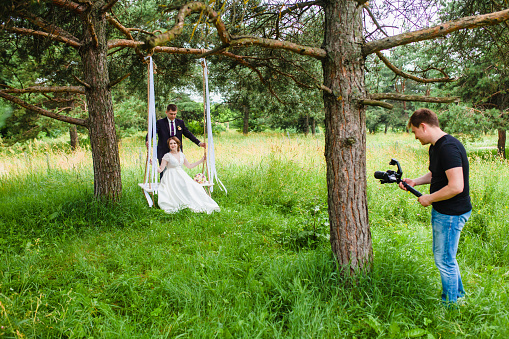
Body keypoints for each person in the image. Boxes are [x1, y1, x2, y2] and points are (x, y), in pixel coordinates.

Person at [399, 108, 472, 305]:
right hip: (445, 211)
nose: (415, 136)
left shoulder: (448, 147)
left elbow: (456, 186)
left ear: (423, 126)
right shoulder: (436, 146)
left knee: (444, 260)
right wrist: (415, 181)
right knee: (448, 257)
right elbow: (436, 174)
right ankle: (459, 297)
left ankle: (450, 305)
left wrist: (429, 198)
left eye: (414, 131)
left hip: (451, 213)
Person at [157, 137, 220, 214]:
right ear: (169, 145)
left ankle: (195, 202)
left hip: (181, 174)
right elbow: (160, 169)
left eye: (174, 143)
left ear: (178, 144)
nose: (173, 145)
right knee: (180, 186)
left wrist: (201, 160)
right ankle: (178, 202)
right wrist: (153, 165)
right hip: (171, 177)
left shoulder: (181, 155)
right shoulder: (167, 156)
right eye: (171, 143)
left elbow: (189, 166)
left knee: (193, 186)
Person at [147, 104, 206, 176]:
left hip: (177, 150)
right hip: (163, 150)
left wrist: (199, 143)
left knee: (178, 171)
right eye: (171, 114)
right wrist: (148, 140)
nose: (173, 116)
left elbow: (188, 134)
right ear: (166, 112)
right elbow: (152, 132)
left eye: (175, 114)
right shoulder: (160, 122)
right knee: (164, 172)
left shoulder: (180, 122)